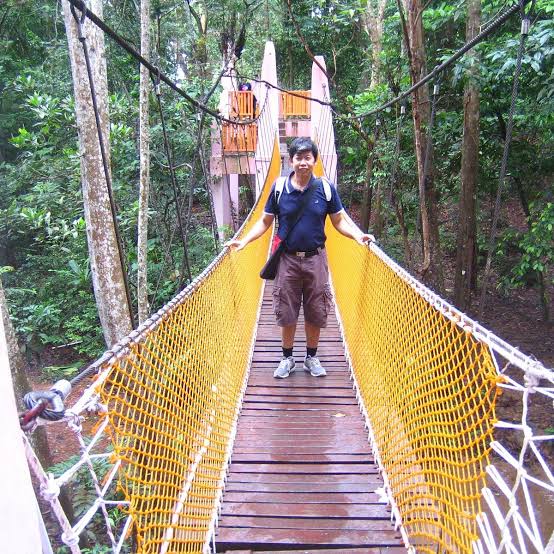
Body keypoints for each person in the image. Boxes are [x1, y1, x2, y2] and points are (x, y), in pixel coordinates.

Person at [226, 137, 374, 379]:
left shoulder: (325, 189)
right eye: (298, 157)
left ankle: (311, 357)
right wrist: (243, 241)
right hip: (287, 260)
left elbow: (338, 221)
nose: (303, 162)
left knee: (316, 309)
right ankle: (287, 359)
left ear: (314, 160)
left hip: (316, 259)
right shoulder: (279, 188)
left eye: (308, 157)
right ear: (291, 160)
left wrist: (357, 236)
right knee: (287, 309)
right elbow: (265, 221)